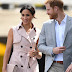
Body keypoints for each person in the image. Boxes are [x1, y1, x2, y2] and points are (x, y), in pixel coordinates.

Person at [2, 4, 42, 72]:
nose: (25, 18)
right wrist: (4, 68)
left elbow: (40, 55)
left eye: (27, 15)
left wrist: (36, 54)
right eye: (23, 15)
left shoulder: (38, 32)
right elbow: (8, 50)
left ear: (33, 15)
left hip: (31, 67)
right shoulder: (13, 30)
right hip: (16, 66)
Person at [38, 0, 72, 72]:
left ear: (56, 8)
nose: (47, 12)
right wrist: (52, 50)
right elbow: (40, 46)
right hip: (52, 66)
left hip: (69, 67)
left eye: (48, 9)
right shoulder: (46, 25)